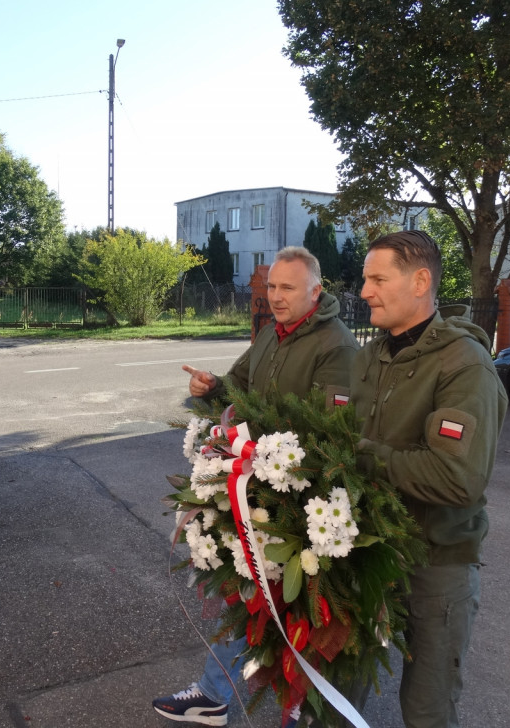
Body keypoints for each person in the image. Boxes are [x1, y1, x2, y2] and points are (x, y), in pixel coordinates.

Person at [153, 246, 359, 727]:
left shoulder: (336, 346)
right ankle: (213, 695)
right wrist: (212, 386)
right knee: (249, 598)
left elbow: (330, 433)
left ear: (316, 290)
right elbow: (238, 385)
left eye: (288, 288)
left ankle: (304, 712)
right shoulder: (272, 333)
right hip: (255, 489)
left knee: (299, 616)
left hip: (299, 505)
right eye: (271, 287)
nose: (276, 297)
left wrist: (263, 447)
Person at [351, 230, 507, 728]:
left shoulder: (464, 365)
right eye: (364, 279)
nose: (364, 291)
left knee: (427, 708)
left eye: (377, 279)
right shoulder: (372, 355)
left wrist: (360, 457)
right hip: (365, 551)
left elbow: (456, 477)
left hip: (435, 560)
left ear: (420, 281)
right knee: (338, 684)